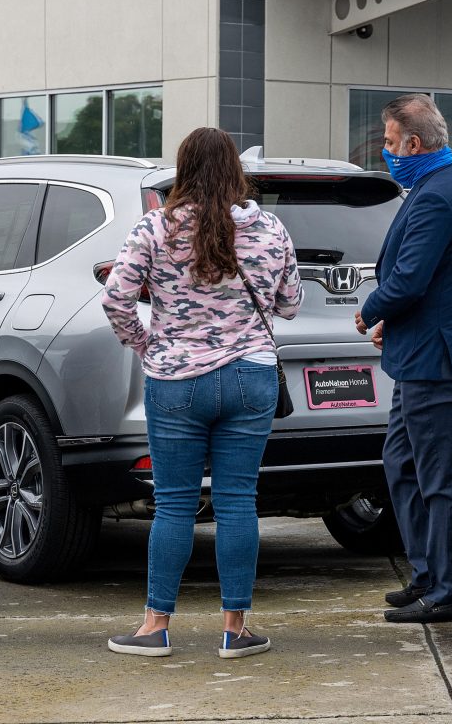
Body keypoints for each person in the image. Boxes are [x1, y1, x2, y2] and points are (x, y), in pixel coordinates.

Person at [101, 127, 301, 659]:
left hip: (175, 382)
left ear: (183, 169)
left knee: (173, 506)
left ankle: (154, 628)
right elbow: (289, 305)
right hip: (250, 377)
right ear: (236, 169)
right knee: (238, 502)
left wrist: (146, 344)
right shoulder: (271, 228)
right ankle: (235, 630)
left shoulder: (155, 228)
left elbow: (115, 298)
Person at [355, 94, 452, 624]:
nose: (386, 152)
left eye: (389, 143)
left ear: (413, 142)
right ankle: (429, 574)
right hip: (420, 349)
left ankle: (450, 591)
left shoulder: (438, 194)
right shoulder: (447, 183)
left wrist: (372, 309)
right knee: (402, 465)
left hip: (432, 356)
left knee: (437, 478)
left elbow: (410, 278)